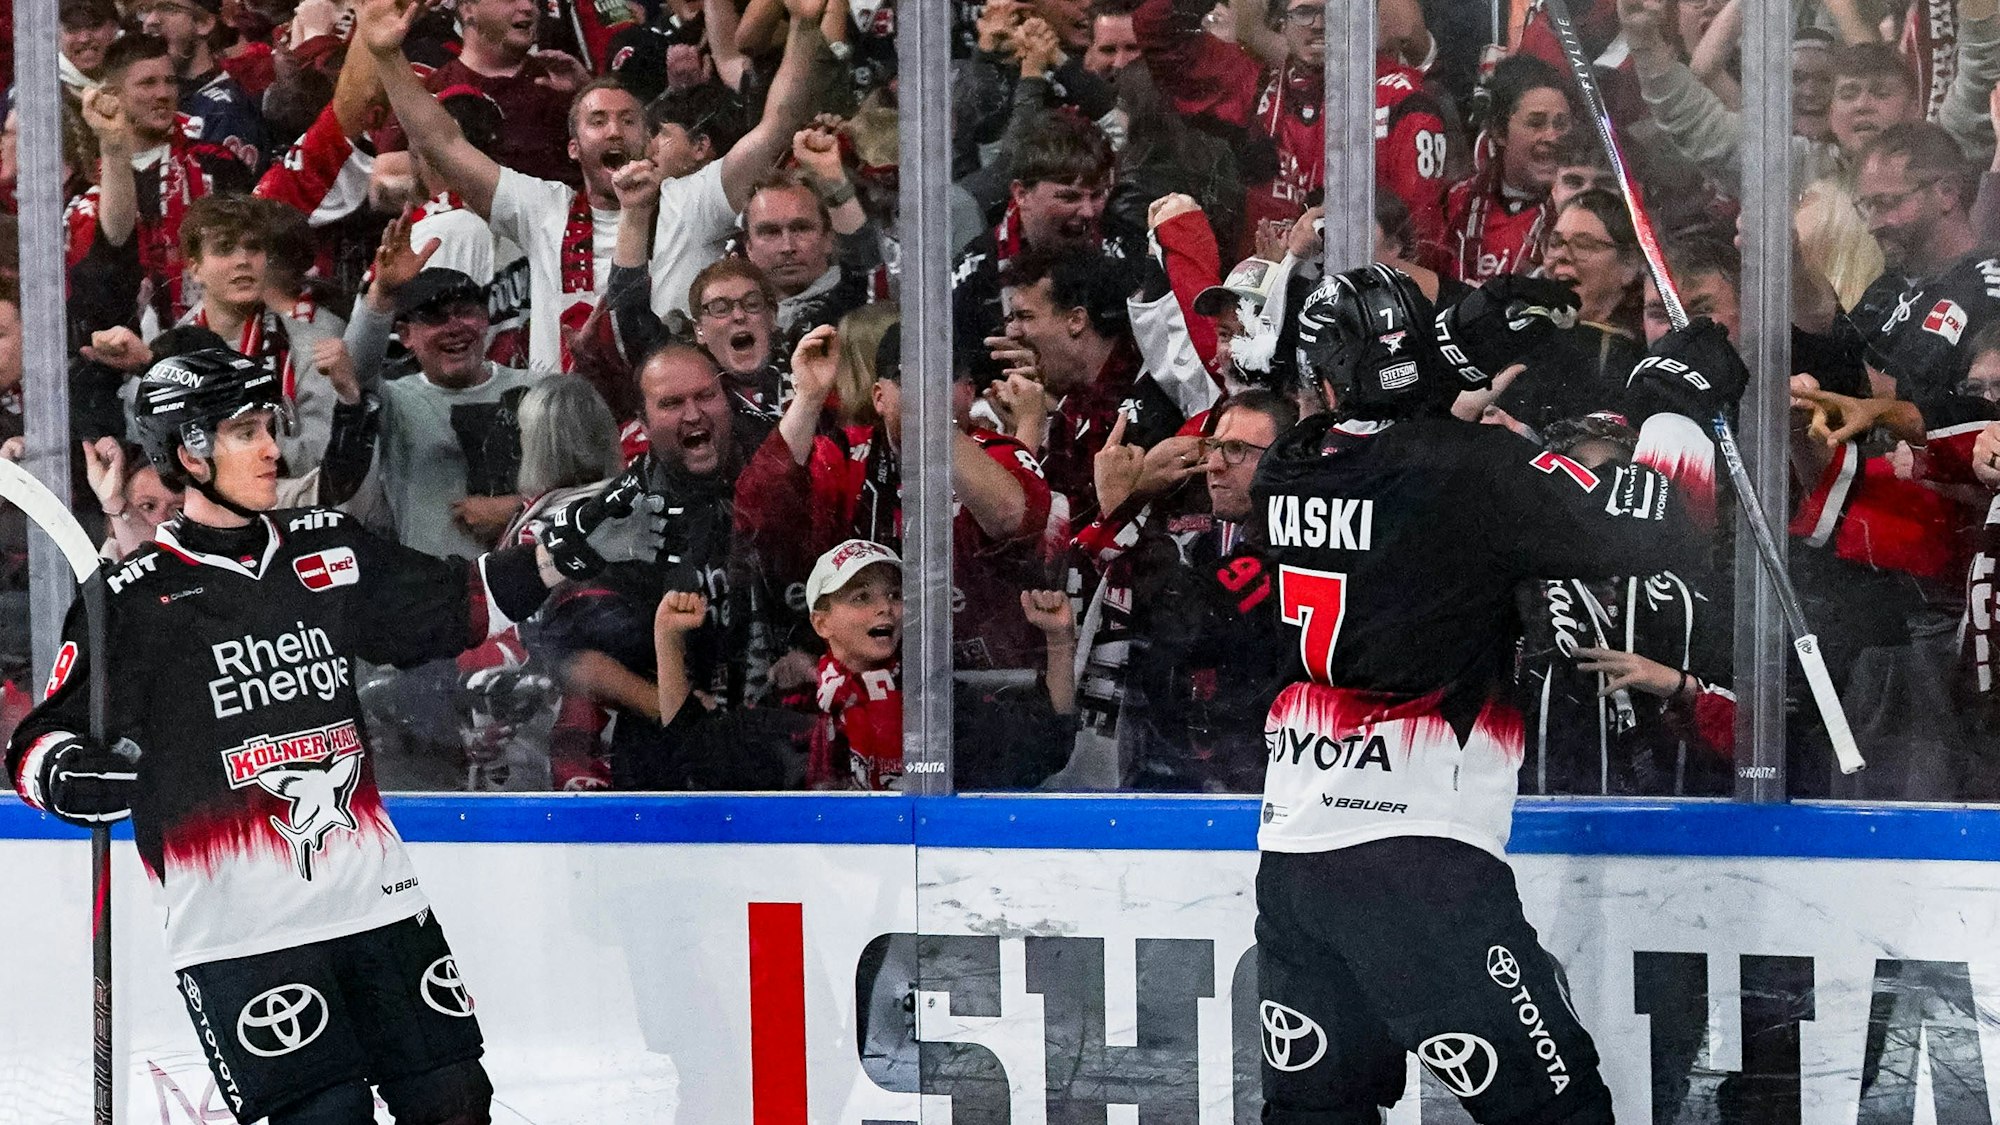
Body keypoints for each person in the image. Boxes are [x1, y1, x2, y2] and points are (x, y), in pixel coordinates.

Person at [4, 347, 640, 1125]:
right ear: (186, 450)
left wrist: (547, 559)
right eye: (244, 431)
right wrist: (65, 772)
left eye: (268, 424)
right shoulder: (133, 598)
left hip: (373, 896)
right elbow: (39, 741)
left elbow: (453, 606)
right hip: (242, 929)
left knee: (455, 1100)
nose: (272, 446)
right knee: (325, 1117)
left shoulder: (324, 544)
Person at [1248, 264, 1746, 1123]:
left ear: (1324, 379)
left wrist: (1453, 347)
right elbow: (1667, 518)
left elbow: (1385, 427)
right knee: (1561, 1114)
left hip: (1295, 863)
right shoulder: (1472, 475)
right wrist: (1671, 407)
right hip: (1420, 870)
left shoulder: (1282, 472)